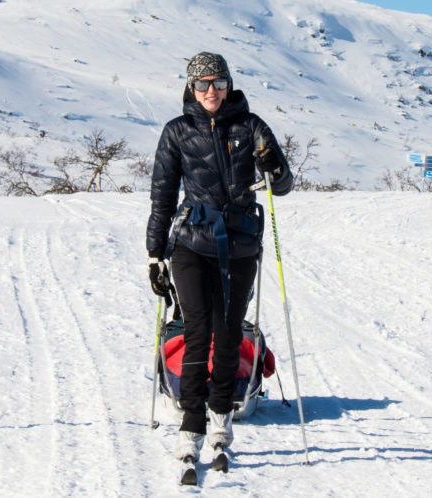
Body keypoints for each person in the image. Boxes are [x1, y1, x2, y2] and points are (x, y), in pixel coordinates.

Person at [146, 52, 292, 466]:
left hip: (240, 242)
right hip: (191, 243)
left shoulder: (251, 126)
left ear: (229, 85)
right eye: (203, 84)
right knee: (196, 329)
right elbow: (162, 196)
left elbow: (282, 186)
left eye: (219, 83)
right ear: (191, 88)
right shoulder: (176, 131)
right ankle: (191, 423)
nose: (212, 91)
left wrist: (274, 167)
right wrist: (155, 255)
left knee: (228, 331)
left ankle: (220, 415)